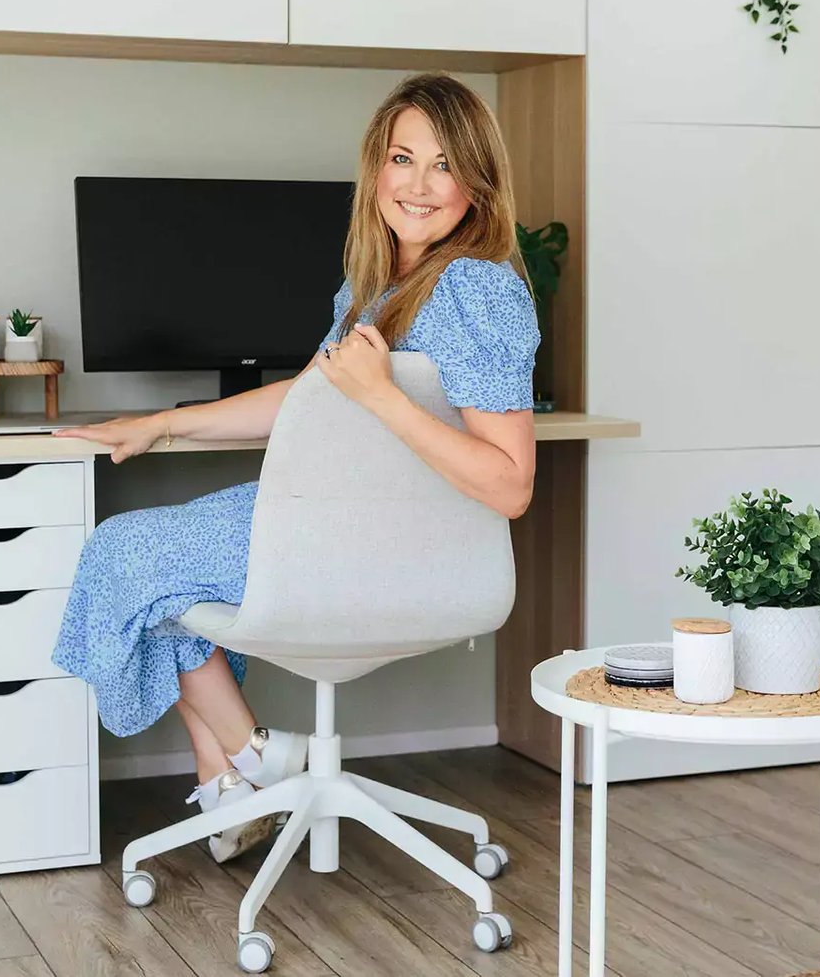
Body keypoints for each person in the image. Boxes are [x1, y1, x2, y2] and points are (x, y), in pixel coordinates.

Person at [49, 72, 540, 861]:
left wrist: (383, 397)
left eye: (443, 165)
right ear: (375, 168)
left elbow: (511, 483)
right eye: (401, 157)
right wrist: (163, 424)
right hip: (333, 516)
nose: (417, 185)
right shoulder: (378, 285)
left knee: (126, 553)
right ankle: (230, 774)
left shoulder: (477, 288)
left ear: (479, 183)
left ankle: (253, 760)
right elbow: (304, 399)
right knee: (154, 568)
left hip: (381, 542)